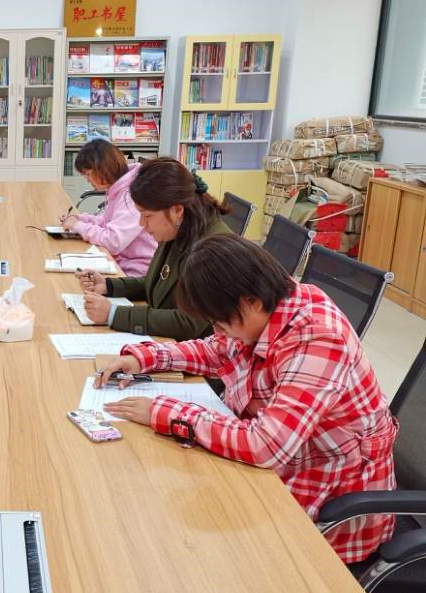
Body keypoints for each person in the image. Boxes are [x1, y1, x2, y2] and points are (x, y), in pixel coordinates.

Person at [94, 234, 398, 564]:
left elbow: (264, 446)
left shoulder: (318, 337)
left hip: (329, 502)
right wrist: (145, 358)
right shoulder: (269, 308)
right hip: (286, 468)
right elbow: (215, 350)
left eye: (220, 322)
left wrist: (166, 412)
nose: (217, 332)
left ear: (250, 302)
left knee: (185, 548)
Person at [77, 157, 231, 341]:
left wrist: (114, 314)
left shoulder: (213, 251)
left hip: (197, 353)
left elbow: (188, 323)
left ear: (177, 210)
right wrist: (108, 286)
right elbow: (155, 283)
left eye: (147, 216)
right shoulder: (177, 227)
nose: (142, 223)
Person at [59, 140, 157, 276]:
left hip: (134, 273)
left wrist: (78, 226)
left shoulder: (131, 194)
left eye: (88, 174)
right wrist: (81, 219)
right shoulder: (119, 186)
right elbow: (108, 221)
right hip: (120, 262)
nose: (87, 180)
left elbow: (113, 241)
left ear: (102, 170)